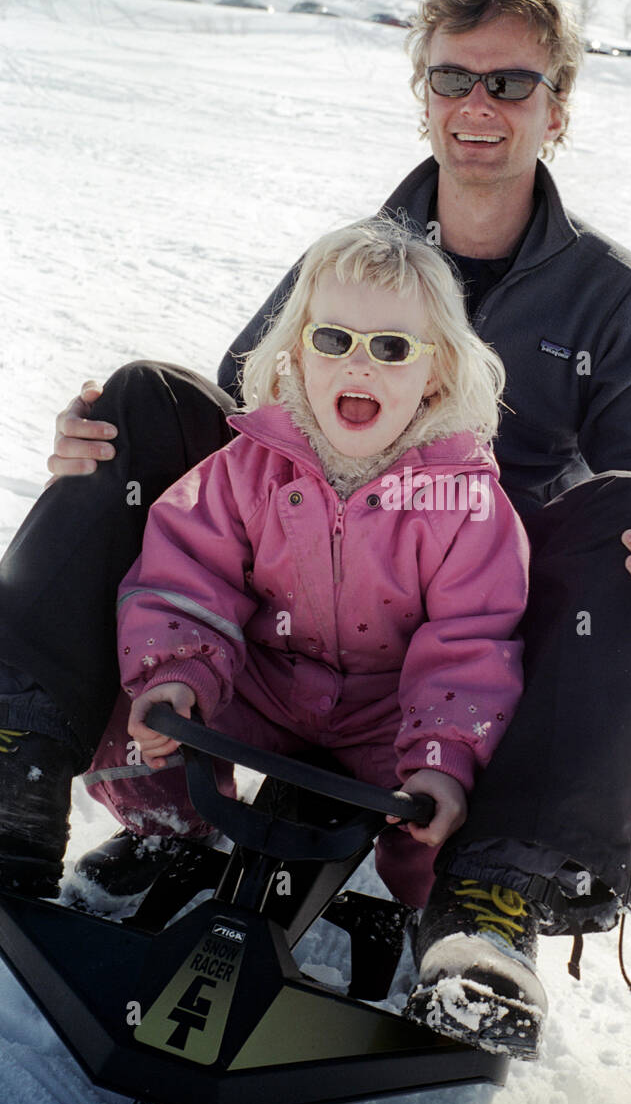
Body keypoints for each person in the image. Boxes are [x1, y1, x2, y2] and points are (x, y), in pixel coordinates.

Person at [0, 0, 631, 1059]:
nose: (476, 103)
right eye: (451, 75)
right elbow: (244, 416)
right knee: (149, 398)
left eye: (510, 81)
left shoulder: (611, 295)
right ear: (421, 90)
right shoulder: (350, 262)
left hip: (469, 625)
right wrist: (113, 448)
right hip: (296, 600)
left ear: (557, 104)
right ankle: (21, 760)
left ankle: (485, 902)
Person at [83, 218, 528, 922]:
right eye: (333, 340)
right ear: (297, 353)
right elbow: (186, 576)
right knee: (136, 709)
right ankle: (166, 830)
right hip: (260, 689)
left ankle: (440, 911)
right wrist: (177, 674)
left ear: (437, 368)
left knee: (470, 784)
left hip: (389, 719)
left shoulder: (465, 503)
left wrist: (439, 757)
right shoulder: (247, 468)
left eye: (391, 347)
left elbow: (470, 644)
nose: (359, 366)